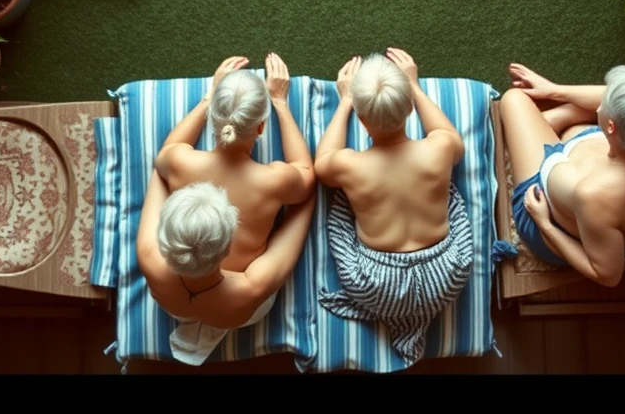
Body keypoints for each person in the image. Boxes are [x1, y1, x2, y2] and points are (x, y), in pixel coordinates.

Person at [314, 48, 473, 364]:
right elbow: (446, 132)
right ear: (411, 109)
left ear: (361, 119)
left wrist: (346, 100)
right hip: (446, 279)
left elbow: (321, 163)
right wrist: (413, 85)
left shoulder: (348, 164)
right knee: (447, 185)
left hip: (379, 288)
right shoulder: (441, 147)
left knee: (343, 200)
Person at [502, 61, 625, 288]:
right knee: (617, 110)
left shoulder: (594, 195)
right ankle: (556, 123)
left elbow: (608, 275)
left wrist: (544, 223)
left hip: (552, 215)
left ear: (610, 127)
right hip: (610, 195)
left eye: (603, 106)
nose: (599, 105)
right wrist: (554, 90)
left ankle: (551, 124)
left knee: (513, 100)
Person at [154, 53, 315, 272]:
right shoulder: (274, 179)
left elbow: (169, 149)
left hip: (188, 276)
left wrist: (209, 98)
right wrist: (280, 102)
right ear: (260, 127)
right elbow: (305, 172)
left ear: (212, 117)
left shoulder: (179, 162)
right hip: (244, 289)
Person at [137, 177, 315, 365]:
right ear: (229, 249)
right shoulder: (251, 287)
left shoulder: (148, 256)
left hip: (175, 307)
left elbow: (159, 174)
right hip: (237, 309)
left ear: (162, 236)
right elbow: (302, 206)